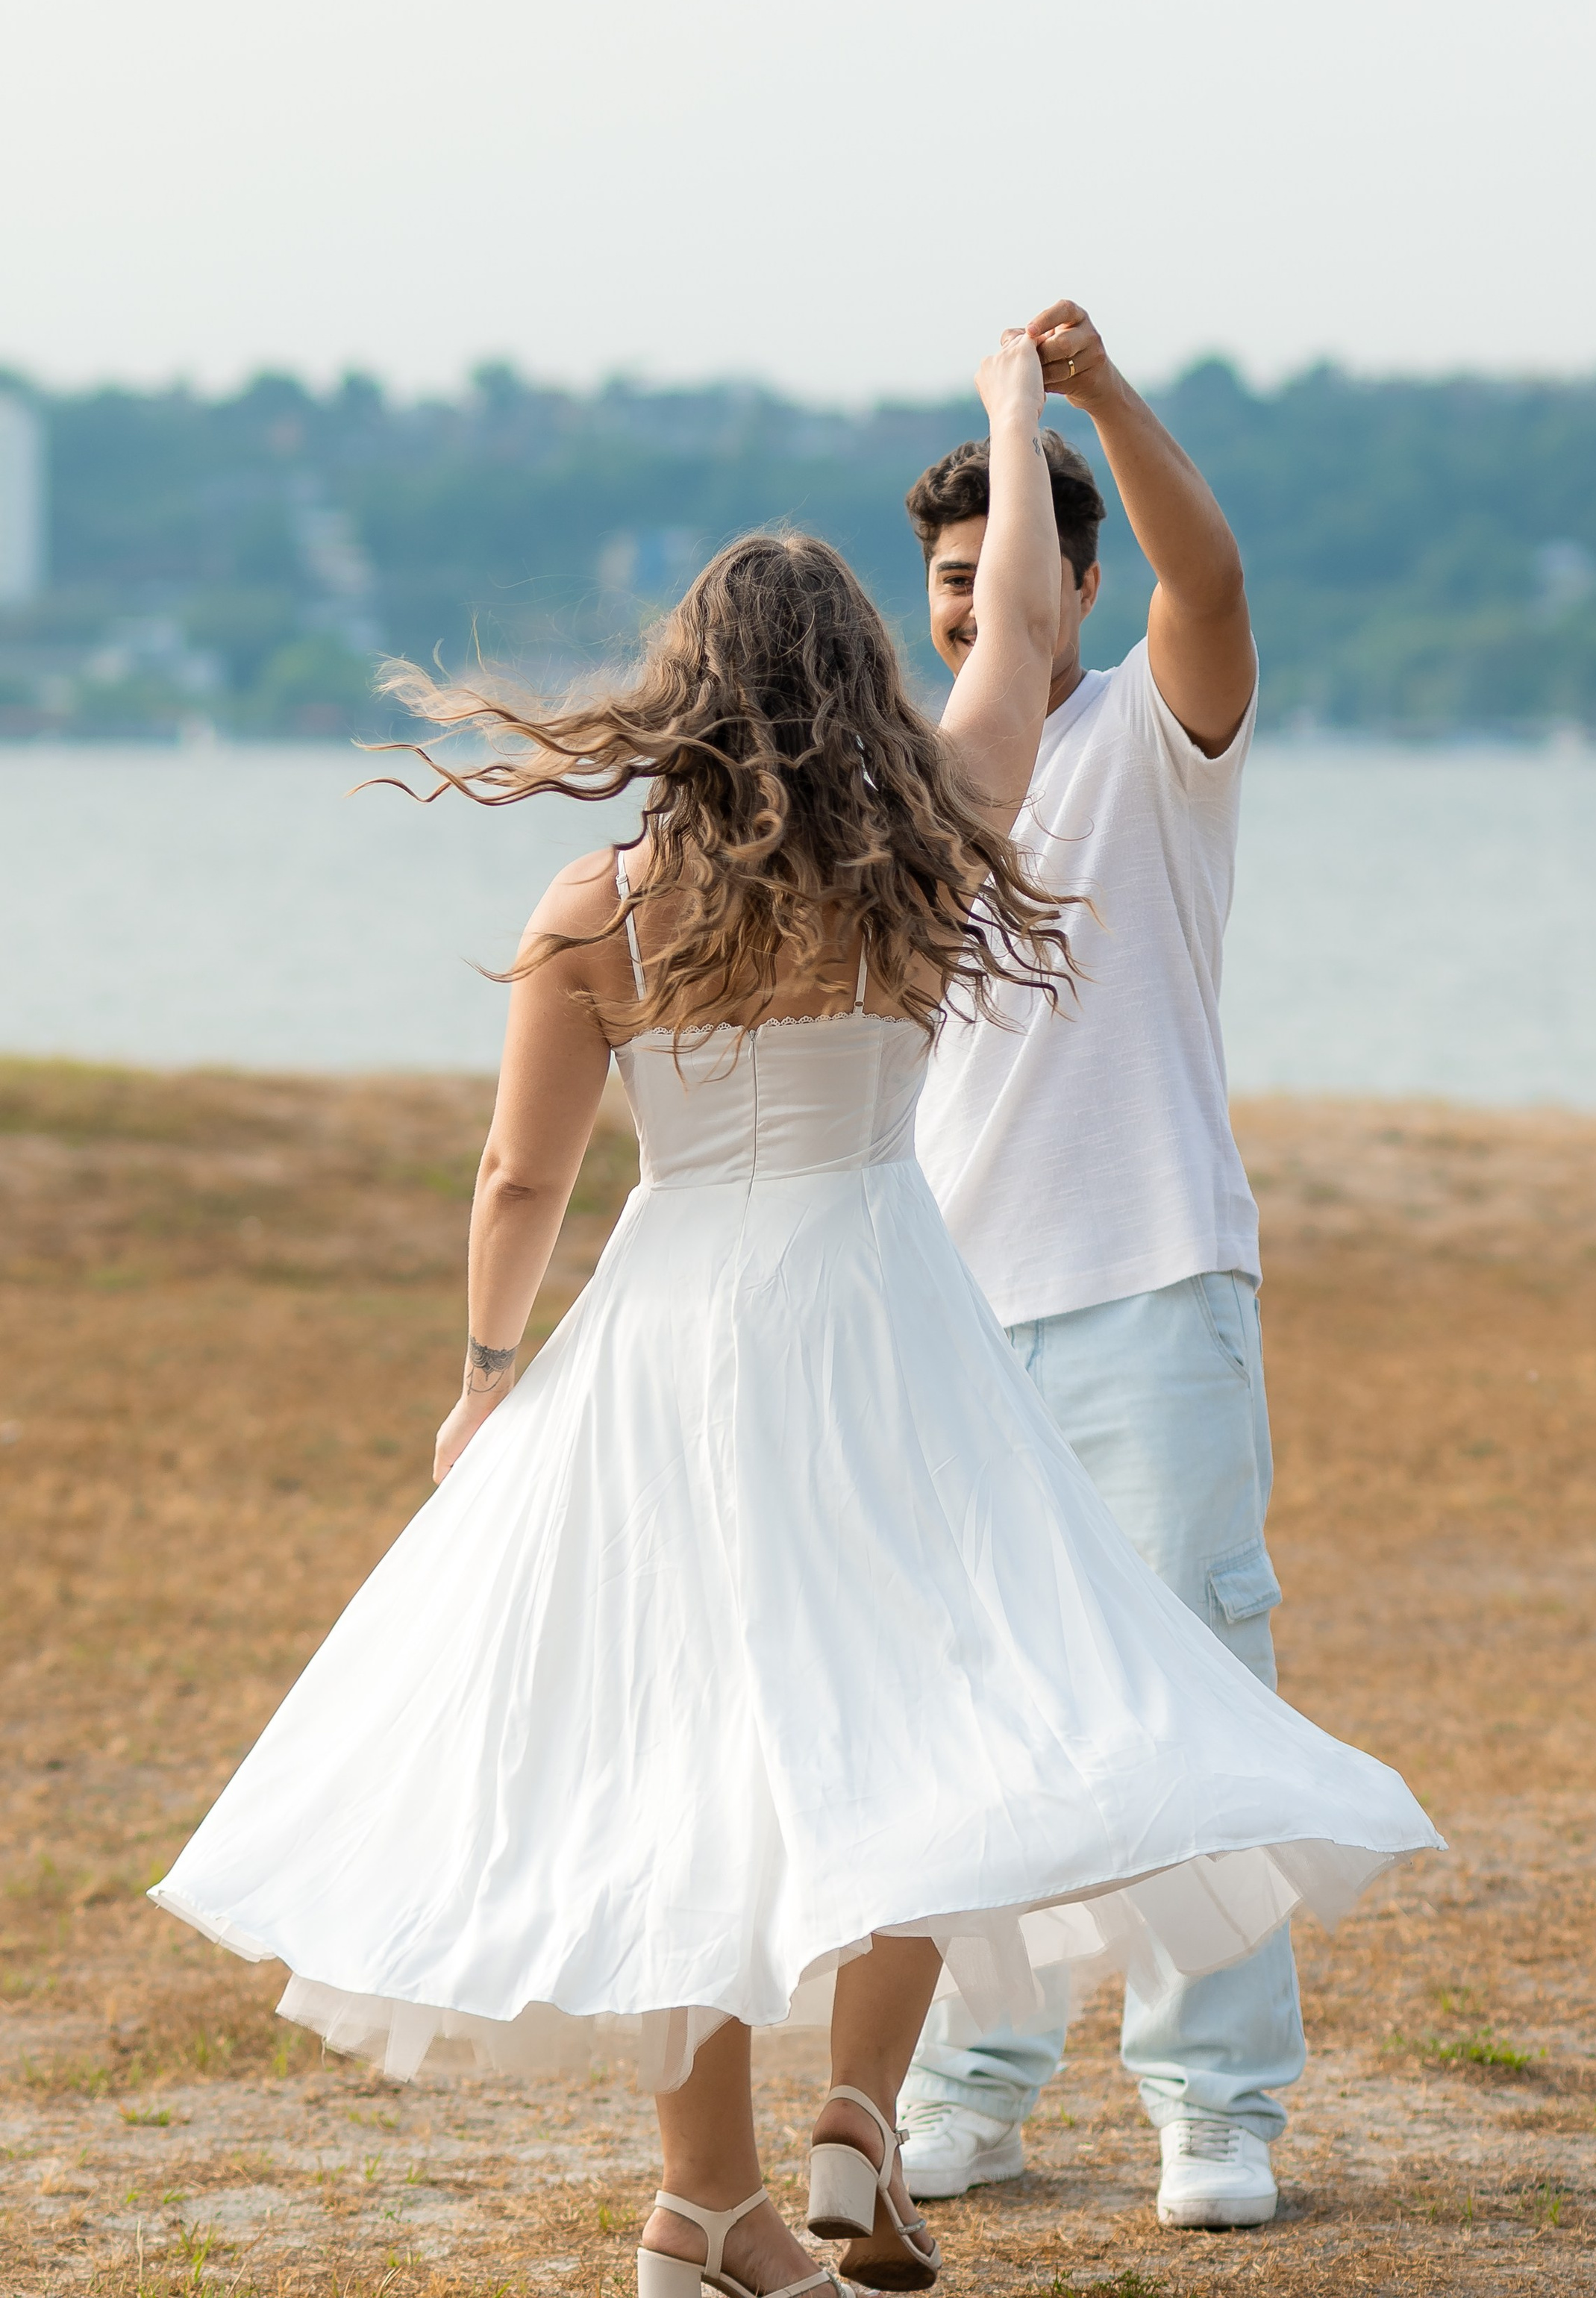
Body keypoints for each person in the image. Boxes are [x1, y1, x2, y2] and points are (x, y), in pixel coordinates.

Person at [151, 331, 1439, 2298]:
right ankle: (844, 2131)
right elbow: (1014, 635)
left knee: (684, 1752)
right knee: (934, 1703)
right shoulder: (927, 840)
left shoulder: (597, 902)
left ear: (682, 686)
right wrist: (1019, 423)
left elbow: (518, 1184)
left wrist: (485, 1379)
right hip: (890, 1303)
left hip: (670, 1332)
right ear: (860, 674)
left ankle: (704, 2199)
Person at [899, 301, 1299, 2230]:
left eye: (1016, 575)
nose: (980, 616)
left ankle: (1216, 2109)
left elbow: (1205, 571)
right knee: (966, 1717)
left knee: (1191, 1696)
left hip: (1153, 1295)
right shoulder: (907, 790)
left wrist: (1087, 398)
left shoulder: (1156, 736)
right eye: (951, 588)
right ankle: (971, 2083)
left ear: (1074, 581)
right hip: (949, 1319)